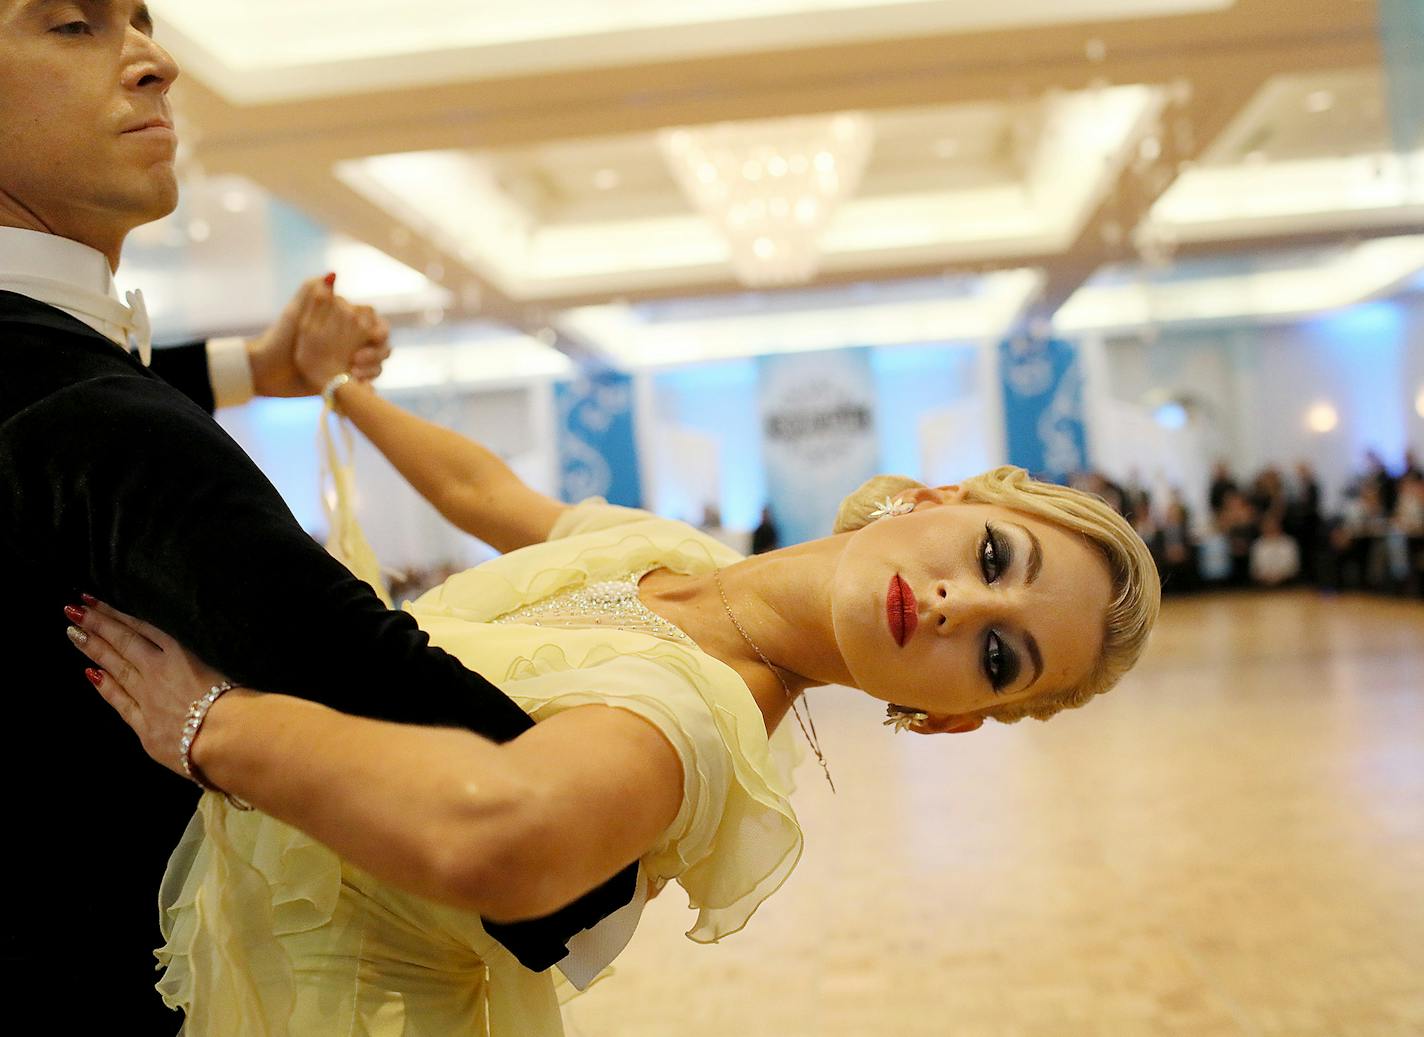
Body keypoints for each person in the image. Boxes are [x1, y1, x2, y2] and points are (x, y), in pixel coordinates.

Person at [69, 375, 1163, 1034]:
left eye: (996, 652)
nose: (949, 604)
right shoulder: (669, 551)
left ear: (956, 717)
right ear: (940, 497)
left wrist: (211, 720)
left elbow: (500, 831)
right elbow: (480, 491)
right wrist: (337, 388)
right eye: (987, 554)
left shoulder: (698, 725)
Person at [0, 2, 634, 1024]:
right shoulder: (80, 415)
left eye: (142, 20)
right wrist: (644, 796)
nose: (157, 61)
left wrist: (258, 367)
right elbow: (369, 681)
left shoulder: (60, 389)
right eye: (73, 24)